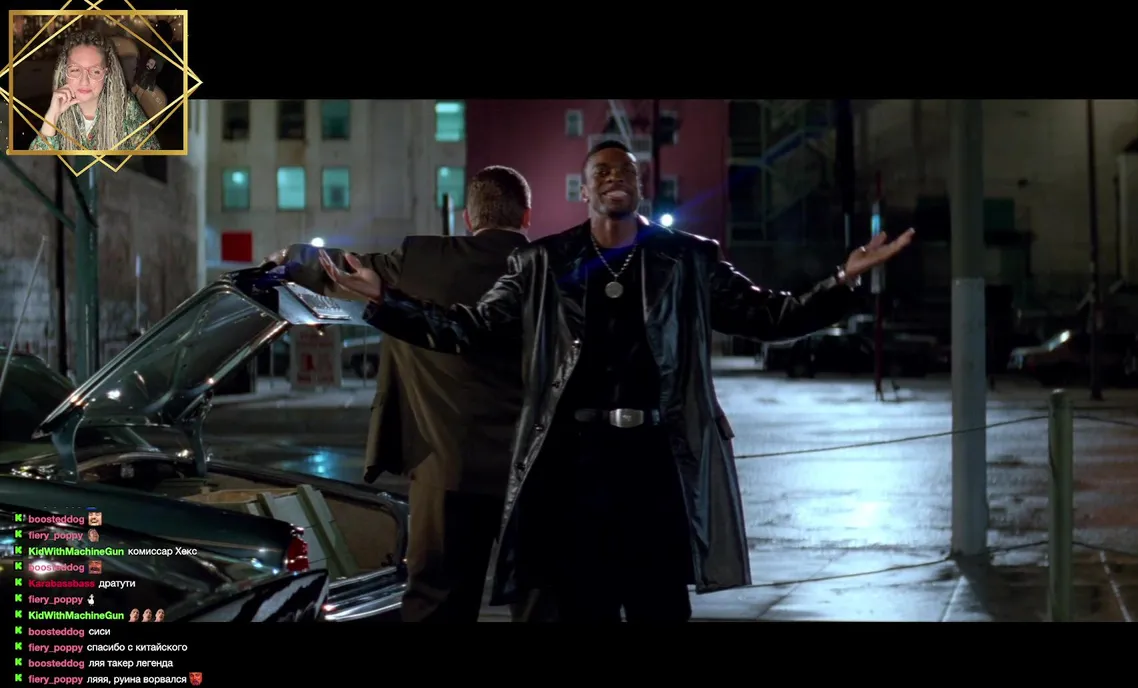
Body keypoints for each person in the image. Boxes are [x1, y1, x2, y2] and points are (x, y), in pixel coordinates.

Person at [319, 140, 914, 623]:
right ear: (584, 191)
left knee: (660, 605)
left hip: (656, 464)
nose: (613, 176)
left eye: (624, 170)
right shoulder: (543, 263)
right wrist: (383, 302)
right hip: (575, 471)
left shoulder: (687, 259)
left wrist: (842, 281)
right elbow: (465, 329)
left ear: (639, 187)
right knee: (583, 606)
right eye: (600, 171)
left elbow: (770, 317)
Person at [271, 166, 532, 622]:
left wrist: (288, 257)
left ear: (468, 218)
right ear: (527, 216)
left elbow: (342, 271)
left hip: (445, 467)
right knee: (542, 601)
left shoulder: (422, 261)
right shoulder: (550, 267)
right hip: (533, 470)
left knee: (437, 602)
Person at [29, 30, 160, 151]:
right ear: (64, 72)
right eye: (75, 70)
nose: (84, 81)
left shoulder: (126, 106)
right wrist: (51, 117)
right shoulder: (57, 109)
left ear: (107, 74)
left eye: (96, 71)